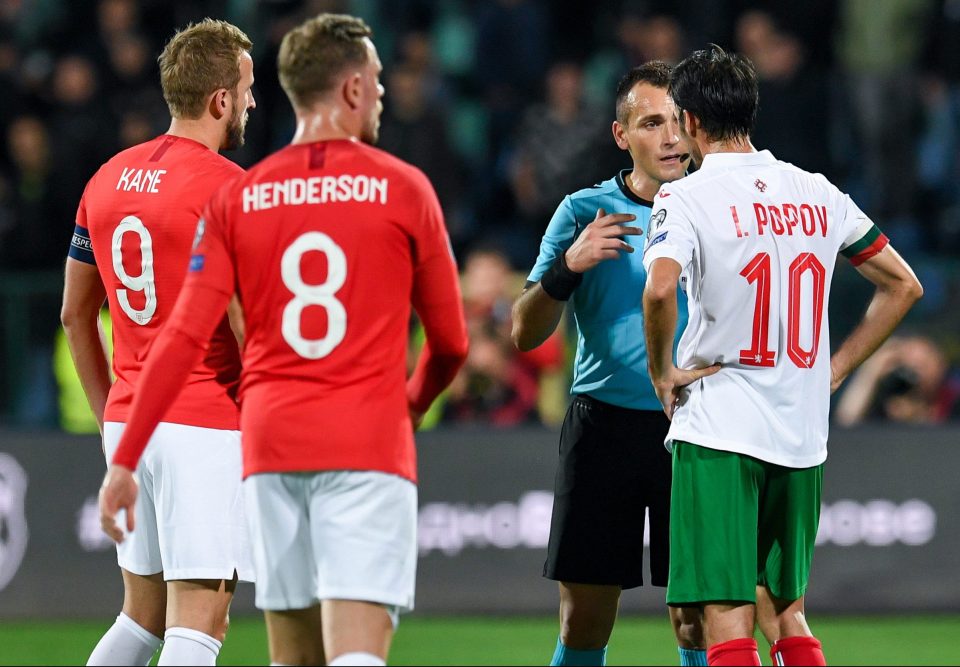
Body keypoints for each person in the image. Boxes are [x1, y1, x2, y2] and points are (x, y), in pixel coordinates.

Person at [96, 13, 469, 667]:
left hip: (269, 443)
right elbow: (452, 344)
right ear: (351, 89)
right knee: (347, 646)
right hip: (358, 437)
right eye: (377, 81)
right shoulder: (403, 187)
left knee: (287, 653)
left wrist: (125, 455)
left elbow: (181, 333)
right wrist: (410, 405)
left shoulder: (244, 198)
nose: (382, 93)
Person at [642, 45, 923, 666]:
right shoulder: (816, 191)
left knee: (725, 613)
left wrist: (662, 372)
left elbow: (660, 287)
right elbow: (903, 285)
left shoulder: (684, 198)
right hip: (800, 432)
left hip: (720, 428)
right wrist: (834, 369)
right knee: (786, 608)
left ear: (688, 120)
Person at [59, 19, 256, 666]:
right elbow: (243, 324)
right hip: (206, 423)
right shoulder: (228, 185)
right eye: (248, 88)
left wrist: (111, 417)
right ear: (220, 99)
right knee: (200, 623)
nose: (252, 102)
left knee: (140, 617)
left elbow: (73, 314)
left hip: (131, 422)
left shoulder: (104, 178)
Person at [511, 62, 706, 667]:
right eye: (652, 122)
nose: (671, 136)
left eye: (678, 121)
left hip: (697, 426)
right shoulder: (583, 211)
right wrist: (569, 267)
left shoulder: (718, 204)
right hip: (604, 427)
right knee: (586, 617)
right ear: (623, 135)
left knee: (699, 618)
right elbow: (523, 330)